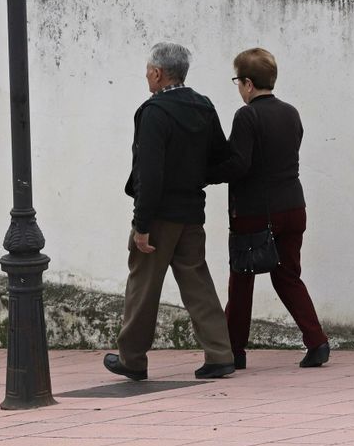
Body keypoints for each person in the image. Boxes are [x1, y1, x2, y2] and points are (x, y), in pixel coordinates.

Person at [104, 42, 238, 382]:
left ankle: (132, 358)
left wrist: (141, 224)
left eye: (148, 69)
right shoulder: (203, 106)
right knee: (198, 283)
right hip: (191, 211)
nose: (146, 75)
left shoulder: (154, 112)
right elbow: (220, 159)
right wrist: (194, 178)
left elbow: (149, 173)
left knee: (143, 286)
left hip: (160, 215)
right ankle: (221, 354)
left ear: (158, 73)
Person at [219, 47, 330, 369]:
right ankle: (317, 342)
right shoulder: (291, 112)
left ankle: (233, 351)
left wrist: (206, 174)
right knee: (288, 276)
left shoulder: (247, 115)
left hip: (256, 212)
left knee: (242, 279)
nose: (238, 88)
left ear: (249, 83)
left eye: (238, 81)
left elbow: (240, 165)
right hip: (294, 206)